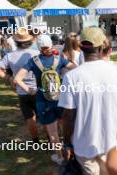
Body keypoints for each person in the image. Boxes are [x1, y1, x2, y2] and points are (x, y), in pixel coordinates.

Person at [58, 27, 117, 175]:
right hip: (109, 141)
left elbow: (68, 116)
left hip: (83, 145)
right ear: (102, 46)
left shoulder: (71, 77)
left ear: (81, 47)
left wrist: (67, 144)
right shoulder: (116, 71)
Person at [14, 34, 71, 165]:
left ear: (38, 47)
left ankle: (59, 157)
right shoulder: (60, 58)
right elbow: (75, 68)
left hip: (43, 98)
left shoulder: (33, 61)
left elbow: (17, 79)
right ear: (51, 44)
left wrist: (30, 90)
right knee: (64, 125)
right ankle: (69, 151)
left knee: (52, 132)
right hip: (60, 96)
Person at [0, 28, 40, 144]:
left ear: (16, 42)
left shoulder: (10, 56)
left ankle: (35, 140)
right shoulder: (37, 54)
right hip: (38, 89)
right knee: (44, 115)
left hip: (21, 91)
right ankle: (50, 139)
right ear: (31, 41)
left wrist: (9, 79)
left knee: (29, 117)